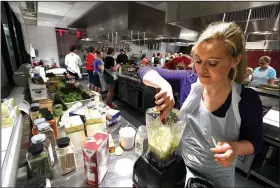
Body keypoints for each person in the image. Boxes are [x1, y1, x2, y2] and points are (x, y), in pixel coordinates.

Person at [137, 22, 263, 187]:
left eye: (212, 63)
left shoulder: (246, 99)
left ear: (234, 60)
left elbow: (256, 142)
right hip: (180, 171)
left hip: (217, 181)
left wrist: (235, 148)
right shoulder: (188, 81)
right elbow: (144, 70)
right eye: (198, 60)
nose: (201, 69)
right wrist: (164, 85)